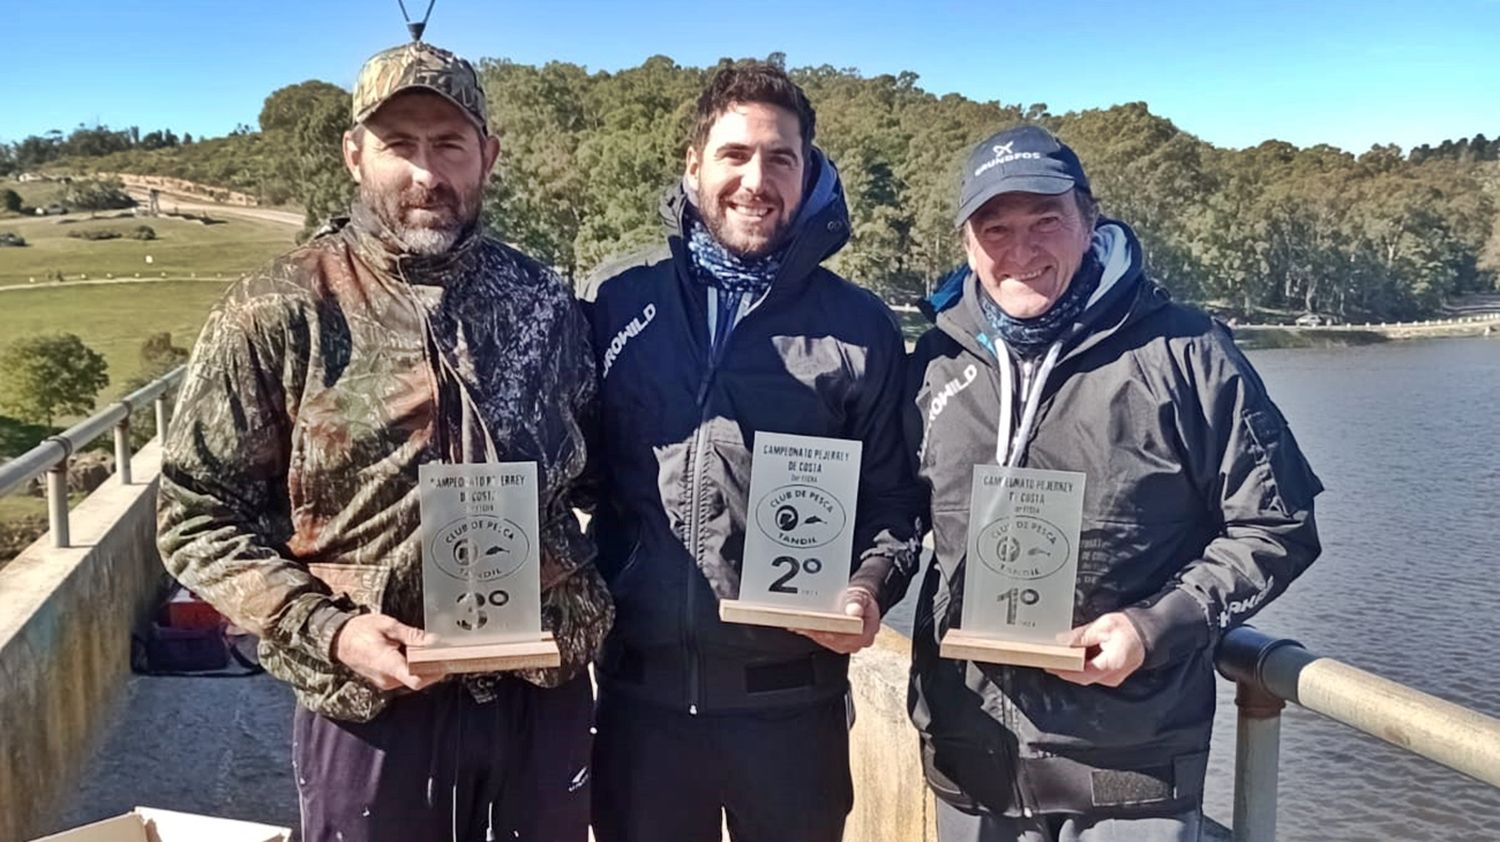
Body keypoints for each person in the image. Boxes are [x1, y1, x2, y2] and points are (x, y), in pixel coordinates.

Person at [156, 39, 611, 842]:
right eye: (400, 145)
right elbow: (196, 515)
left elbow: (596, 476)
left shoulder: (544, 301)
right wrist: (331, 631)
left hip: (538, 692)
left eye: (449, 145)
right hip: (374, 705)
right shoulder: (278, 308)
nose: (426, 174)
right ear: (355, 154)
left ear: (488, 157)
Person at [905, 124, 1324, 841]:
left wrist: (1153, 626)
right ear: (966, 242)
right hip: (975, 760)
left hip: (1133, 773)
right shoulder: (938, 362)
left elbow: (1278, 526)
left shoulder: (1186, 351)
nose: (1022, 250)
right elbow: (891, 515)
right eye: (995, 228)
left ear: (1091, 220)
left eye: (1046, 221)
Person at [583, 61, 923, 842]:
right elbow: (572, 469)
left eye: (780, 159)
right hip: (640, 706)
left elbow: (897, 506)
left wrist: (870, 590)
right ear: (694, 165)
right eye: (735, 155)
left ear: (809, 176)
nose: (755, 179)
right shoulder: (617, 302)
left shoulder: (861, 328)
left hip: (791, 711)